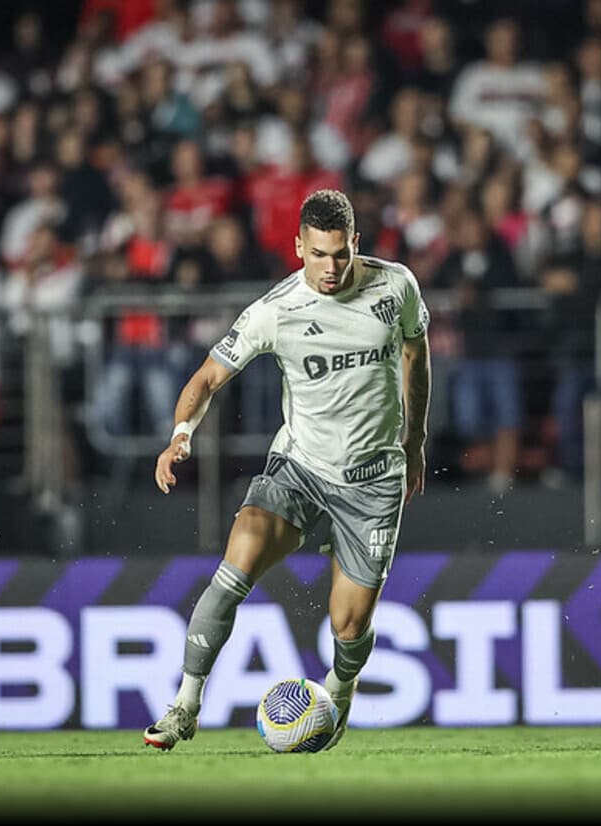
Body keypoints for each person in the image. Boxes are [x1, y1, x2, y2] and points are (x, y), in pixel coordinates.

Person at [143, 189, 430, 751]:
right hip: (300, 469)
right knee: (236, 562)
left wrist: (415, 440)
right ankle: (184, 705)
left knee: (349, 626)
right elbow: (206, 378)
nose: (330, 268)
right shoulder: (276, 310)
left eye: (341, 254)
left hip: (373, 481)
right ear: (299, 247)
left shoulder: (396, 286)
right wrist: (180, 435)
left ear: (356, 244)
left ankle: (339, 691)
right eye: (318, 254)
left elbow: (416, 356)